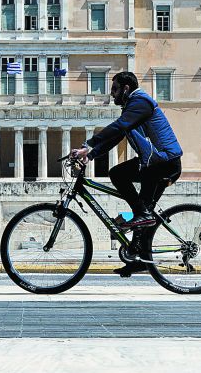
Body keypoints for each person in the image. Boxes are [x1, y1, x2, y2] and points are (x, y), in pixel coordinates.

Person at [71, 71, 183, 277]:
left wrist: (89, 145)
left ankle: (143, 218)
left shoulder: (141, 103)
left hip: (164, 163)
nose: (111, 95)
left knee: (119, 176)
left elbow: (119, 126)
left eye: (114, 89)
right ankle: (139, 257)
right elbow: (118, 135)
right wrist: (92, 154)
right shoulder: (132, 108)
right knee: (143, 212)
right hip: (154, 164)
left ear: (126, 89)